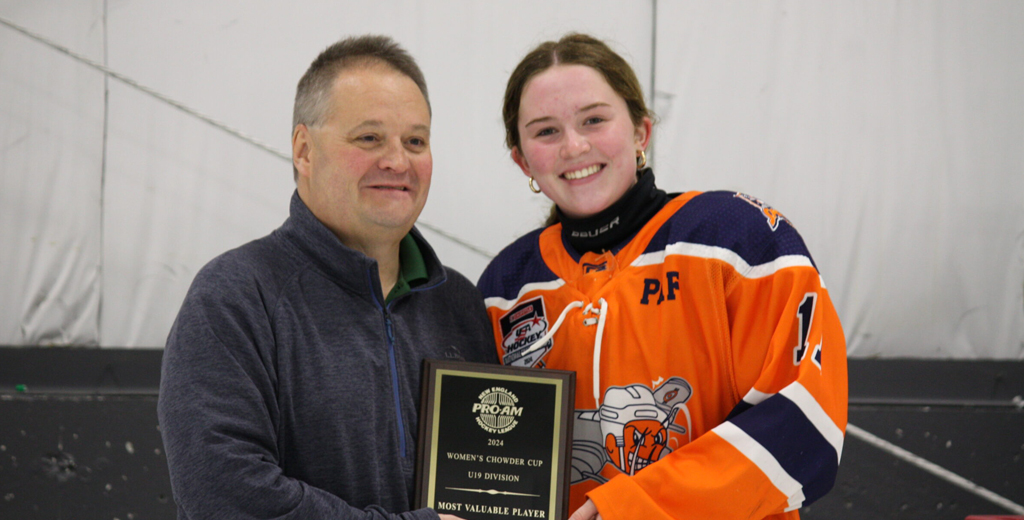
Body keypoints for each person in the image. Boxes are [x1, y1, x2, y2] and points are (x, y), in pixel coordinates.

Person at [477, 33, 848, 520]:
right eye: (546, 132)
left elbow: (808, 424)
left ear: (640, 131)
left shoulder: (737, 239)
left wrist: (632, 508)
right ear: (523, 160)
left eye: (594, 119)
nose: (574, 145)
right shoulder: (505, 286)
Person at [158, 35, 496, 520]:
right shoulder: (235, 296)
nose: (398, 162)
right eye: (369, 138)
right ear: (304, 151)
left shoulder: (458, 303)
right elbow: (225, 494)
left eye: (415, 141)